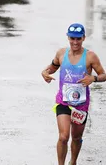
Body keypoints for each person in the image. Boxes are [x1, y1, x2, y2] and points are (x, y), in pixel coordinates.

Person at [41, 23, 106, 165]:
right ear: (68, 38)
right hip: (63, 101)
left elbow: (103, 75)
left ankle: (73, 162)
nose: (75, 42)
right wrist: (45, 72)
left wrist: (93, 78)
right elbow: (52, 68)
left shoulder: (90, 56)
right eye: (72, 38)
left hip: (81, 105)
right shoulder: (61, 53)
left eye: (78, 39)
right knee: (63, 137)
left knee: (76, 137)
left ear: (83, 38)